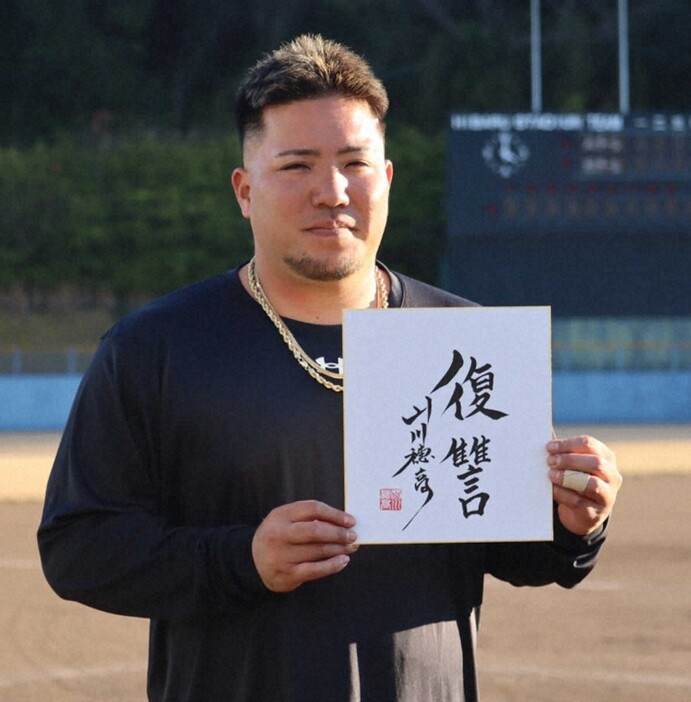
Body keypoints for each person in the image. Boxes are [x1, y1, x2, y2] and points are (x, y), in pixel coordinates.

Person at [38, 34, 622, 702]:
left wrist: (573, 520)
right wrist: (241, 559)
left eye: (354, 163)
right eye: (297, 166)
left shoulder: (465, 341)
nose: (332, 191)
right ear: (244, 191)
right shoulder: (156, 347)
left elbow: (518, 553)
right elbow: (78, 548)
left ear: (387, 179)